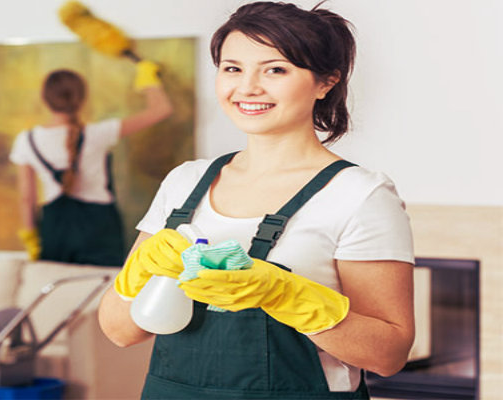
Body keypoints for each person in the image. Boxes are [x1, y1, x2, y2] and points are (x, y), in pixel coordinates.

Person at [98, 2, 415, 399]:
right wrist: (140, 271)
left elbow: (389, 355)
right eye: (232, 68)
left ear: (325, 82)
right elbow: (120, 331)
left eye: (275, 69)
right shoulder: (185, 183)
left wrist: (284, 294)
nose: (247, 87)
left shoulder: (359, 195)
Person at [9, 60, 173, 266]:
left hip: (54, 228)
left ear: (45, 99)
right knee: (102, 289)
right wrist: (148, 78)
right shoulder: (98, 134)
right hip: (100, 225)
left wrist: (31, 238)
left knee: (58, 293)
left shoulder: (27, 140)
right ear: (81, 99)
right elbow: (161, 110)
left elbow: (27, 198)